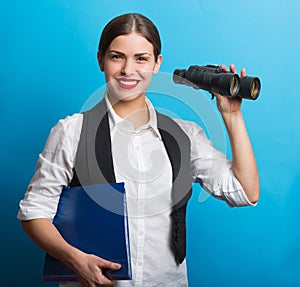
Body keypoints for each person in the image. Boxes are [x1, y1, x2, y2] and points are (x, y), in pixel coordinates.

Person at [17, 13, 260, 287]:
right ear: (101, 60)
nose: (128, 70)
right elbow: (34, 213)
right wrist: (75, 260)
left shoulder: (185, 134)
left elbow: (245, 192)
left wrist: (232, 116)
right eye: (117, 57)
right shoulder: (71, 131)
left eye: (141, 58)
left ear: (157, 63)